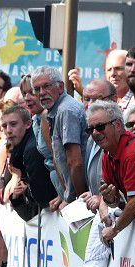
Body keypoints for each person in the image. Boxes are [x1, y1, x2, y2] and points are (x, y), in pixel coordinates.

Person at [86, 100, 135, 244]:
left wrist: (115, 230)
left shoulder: (133, 152)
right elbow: (114, 200)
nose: (94, 133)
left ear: (117, 125)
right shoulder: (107, 152)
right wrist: (110, 199)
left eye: (100, 127)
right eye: (90, 129)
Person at [31, 66, 87, 208]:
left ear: (61, 87)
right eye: (37, 89)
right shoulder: (54, 112)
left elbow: (75, 162)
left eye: (46, 86)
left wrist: (78, 202)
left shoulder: (65, 110)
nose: (42, 93)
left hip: (84, 199)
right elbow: (58, 158)